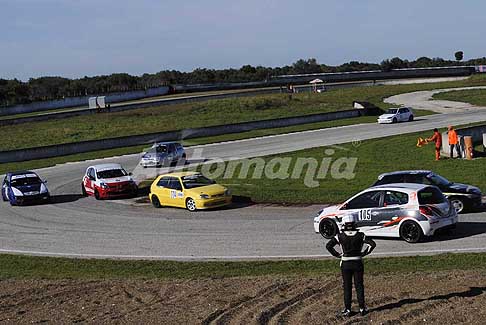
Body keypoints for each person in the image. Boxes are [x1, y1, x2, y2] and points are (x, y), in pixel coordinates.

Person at [326, 215, 376, 317]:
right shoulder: (361, 235)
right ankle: (362, 309)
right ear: (354, 224)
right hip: (358, 263)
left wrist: (337, 255)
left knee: (347, 287)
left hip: (345, 263)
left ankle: (348, 310)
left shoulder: (339, 236)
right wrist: (364, 253)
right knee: (359, 286)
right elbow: (372, 244)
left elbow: (328, 246)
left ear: (344, 224)